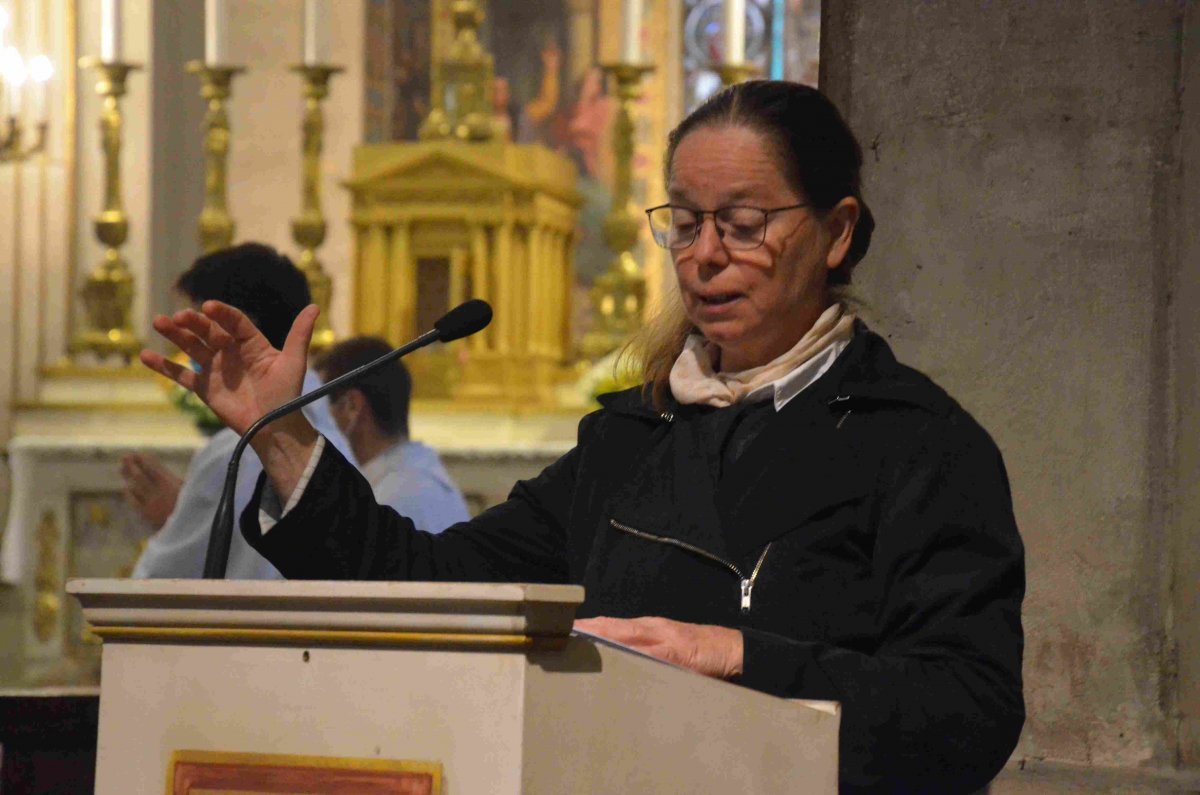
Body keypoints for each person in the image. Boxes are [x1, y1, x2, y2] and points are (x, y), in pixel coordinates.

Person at [142, 81, 1024, 792]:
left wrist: (737, 654)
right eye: (683, 222)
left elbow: (967, 707)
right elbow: (437, 586)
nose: (704, 255)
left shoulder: (918, 443)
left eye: (744, 225)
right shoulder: (630, 442)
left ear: (835, 232)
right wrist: (285, 439)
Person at [125, 243, 348, 579]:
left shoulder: (237, 451)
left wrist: (173, 517)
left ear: (233, 330)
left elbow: (157, 582)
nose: (189, 352)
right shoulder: (329, 432)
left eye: (196, 333)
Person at [313, 337, 470, 534]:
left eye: (318, 411)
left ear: (352, 406)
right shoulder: (417, 478)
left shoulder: (389, 504)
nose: (314, 425)